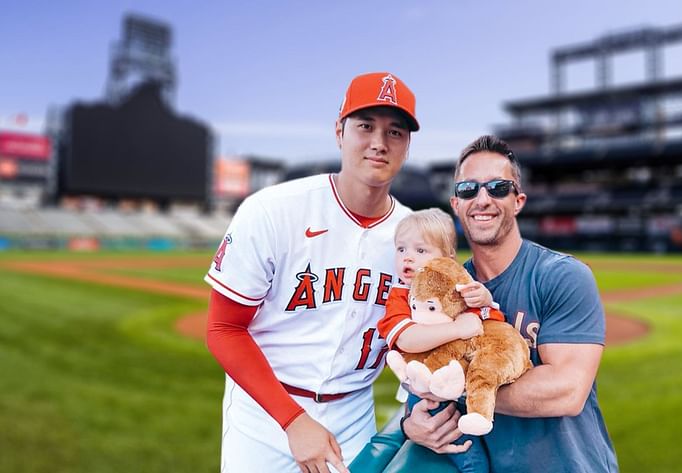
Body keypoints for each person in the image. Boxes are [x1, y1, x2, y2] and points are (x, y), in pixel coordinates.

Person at [204, 71, 419, 473]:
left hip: (354, 413)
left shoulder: (413, 235)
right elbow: (223, 329)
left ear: (407, 146)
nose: (378, 142)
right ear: (339, 132)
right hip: (264, 413)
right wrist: (293, 420)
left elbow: (416, 332)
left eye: (395, 132)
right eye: (365, 126)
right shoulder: (272, 210)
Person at [401, 135, 619, 472]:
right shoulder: (444, 288)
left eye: (498, 188)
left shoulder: (561, 275)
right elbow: (419, 372)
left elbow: (567, 391)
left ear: (518, 201)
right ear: (455, 204)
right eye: (468, 189)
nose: (482, 199)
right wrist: (409, 425)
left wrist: (451, 388)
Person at [376, 208, 503, 472]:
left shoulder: (457, 287)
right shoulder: (400, 295)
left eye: (420, 251)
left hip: (458, 390)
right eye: (401, 249)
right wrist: (458, 329)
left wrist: (486, 300)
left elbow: (491, 322)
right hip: (427, 395)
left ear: (447, 259)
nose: (407, 257)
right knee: (473, 461)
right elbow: (408, 340)